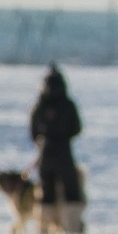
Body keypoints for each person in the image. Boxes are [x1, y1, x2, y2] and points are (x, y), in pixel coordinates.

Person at [29, 66, 84, 210]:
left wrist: (41, 141)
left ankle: (46, 225)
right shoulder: (68, 105)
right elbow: (76, 128)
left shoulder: (40, 106)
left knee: (46, 191)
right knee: (71, 189)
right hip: (63, 149)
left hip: (45, 150)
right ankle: (71, 224)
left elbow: (33, 130)